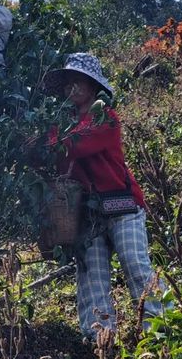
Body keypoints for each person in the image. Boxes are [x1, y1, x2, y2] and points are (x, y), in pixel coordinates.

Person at [42, 53, 165, 340]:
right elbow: (54, 156)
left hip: (123, 206)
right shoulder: (62, 123)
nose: (73, 86)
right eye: (69, 81)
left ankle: (163, 330)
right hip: (86, 212)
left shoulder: (104, 117)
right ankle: (101, 342)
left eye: (79, 80)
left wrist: (47, 143)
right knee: (92, 279)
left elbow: (75, 146)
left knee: (135, 266)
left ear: (92, 85)